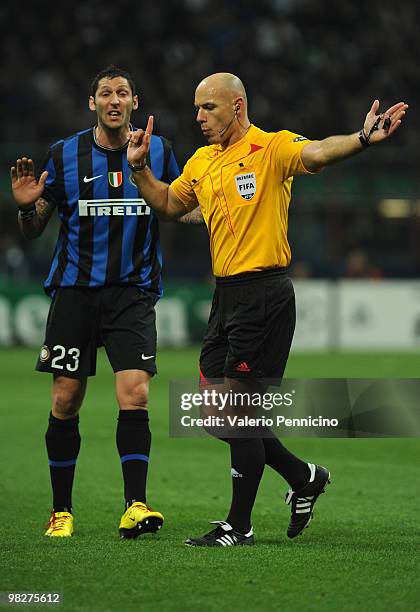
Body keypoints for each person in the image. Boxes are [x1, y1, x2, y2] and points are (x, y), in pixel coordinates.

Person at [126, 72, 407, 546]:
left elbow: (317, 151)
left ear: (237, 106)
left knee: (236, 409)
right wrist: (140, 171)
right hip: (227, 295)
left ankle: (239, 525)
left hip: (264, 294)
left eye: (208, 108)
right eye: (196, 109)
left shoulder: (271, 147)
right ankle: (303, 476)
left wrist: (362, 138)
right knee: (217, 413)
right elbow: (170, 206)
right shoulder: (202, 161)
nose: (198, 118)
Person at [10, 65, 200, 539]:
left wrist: (219, 213)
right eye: (105, 94)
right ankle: (61, 512)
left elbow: (181, 209)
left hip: (131, 294)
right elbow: (34, 227)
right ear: (91, 104)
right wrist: (23, 206)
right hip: (74, 294)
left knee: (135, 394)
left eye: (123, 93)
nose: (114, 100)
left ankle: (135, 504)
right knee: (66, 399)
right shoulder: (65, 154)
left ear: (135, 103)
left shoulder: (159, 151)